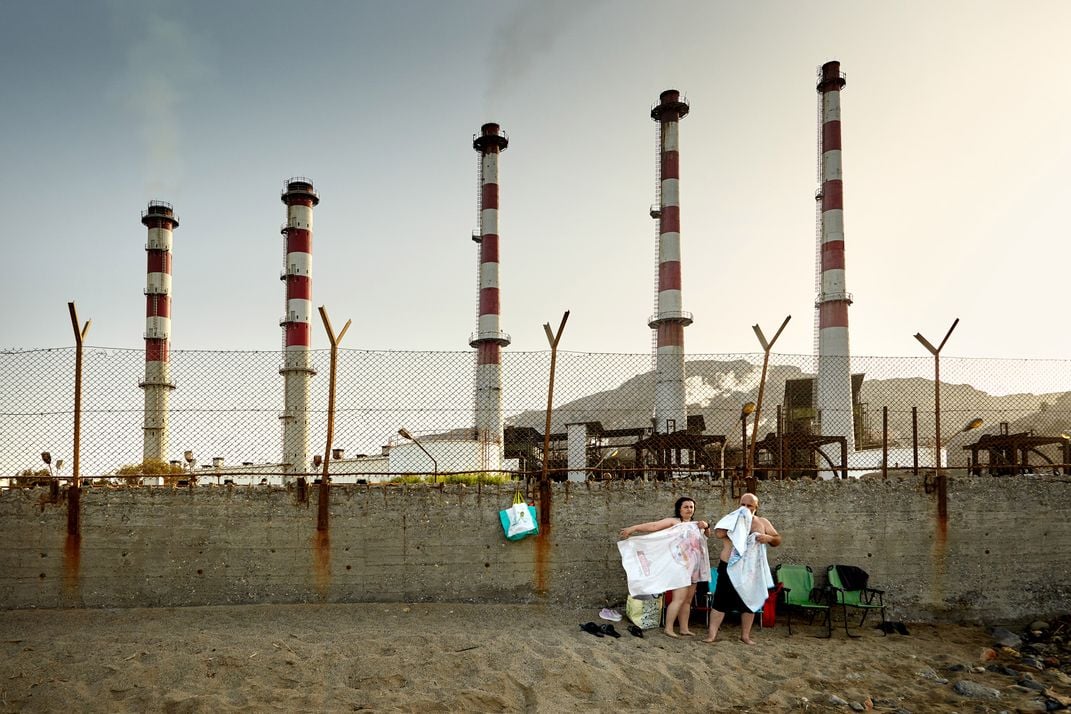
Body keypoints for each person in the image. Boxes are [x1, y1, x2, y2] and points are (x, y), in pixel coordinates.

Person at [619, 497, 710, 638]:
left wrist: (706, 527)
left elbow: (705, 538)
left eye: (691, 507)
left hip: (694, 568)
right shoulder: (674, 522)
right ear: (679, 509)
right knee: (678, 599)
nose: (689, 509)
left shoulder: (696, 524)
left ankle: (684, 628)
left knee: (687, 600)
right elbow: (654, 526)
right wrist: (634, 528)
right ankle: (669, 628)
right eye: (685, 507)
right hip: (680, 567)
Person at [704, 493, 781, 645]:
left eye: (749, 505)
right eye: (743, 504)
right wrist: (735, 529)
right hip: (729, 565)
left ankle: (745, 635)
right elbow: (718, 533)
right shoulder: (731, 518)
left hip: (751, 568)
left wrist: (769, 538)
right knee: (720, 600)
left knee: (749, 600)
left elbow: (777, 539)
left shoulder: (762, 522)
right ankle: (712, 635)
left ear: (756, 507)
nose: (745, 508)